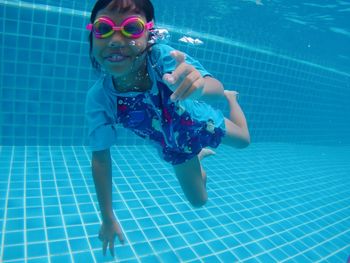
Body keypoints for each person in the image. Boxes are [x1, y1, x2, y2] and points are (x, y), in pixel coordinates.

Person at [85, 0, 250, 257]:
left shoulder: (161, 59)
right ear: (92, 36)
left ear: (149, 35)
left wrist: (202, 87)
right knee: (199, 201)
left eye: (131, 27)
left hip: (203, 123)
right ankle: (197, 155)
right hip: (176, 147)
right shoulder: (100, 99)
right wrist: (107, 217)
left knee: (244, 141)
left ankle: (234, 100)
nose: (116, 39)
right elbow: (101, 159)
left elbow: (212, 86)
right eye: (104, 28)